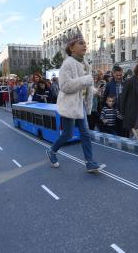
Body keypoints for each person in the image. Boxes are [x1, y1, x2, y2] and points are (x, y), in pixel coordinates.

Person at [45, 30, 106, 172]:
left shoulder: (85, 63)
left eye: (85, 43)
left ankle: (90, 162)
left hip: (81, 105)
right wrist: (86, 80)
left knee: (85, 133)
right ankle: (52, 151)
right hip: (70, 106)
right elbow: (65, 86)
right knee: (68, 134)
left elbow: (85, 86)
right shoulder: (67, 63)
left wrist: (96, 91)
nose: (84, 45)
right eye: (81, 43)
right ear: (71, 48)